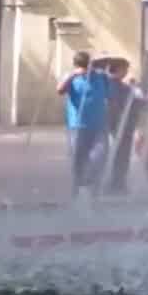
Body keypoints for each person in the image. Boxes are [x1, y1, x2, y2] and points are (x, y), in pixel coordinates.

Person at [59, 51, 109, 197]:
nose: (88, 68)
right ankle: (75, 192)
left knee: (100, 156)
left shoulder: (101, 78)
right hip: (77, 126)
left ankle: (93, 191)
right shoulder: (71, 78)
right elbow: (60, 90)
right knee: (78, 160)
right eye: (84, 66)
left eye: (89, 65)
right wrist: (73, 75)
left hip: (99, 125)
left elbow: (108, 95)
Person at [104, 58, 144, 195]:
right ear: (119, 69)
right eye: (125, 69)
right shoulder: (116, 86)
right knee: (121, 154)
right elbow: (118, 104)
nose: (127, 72)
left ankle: (117, 182)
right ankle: (117, 183)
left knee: (120, 154)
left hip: (119, 124)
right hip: (120, 125)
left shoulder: (116, 84)